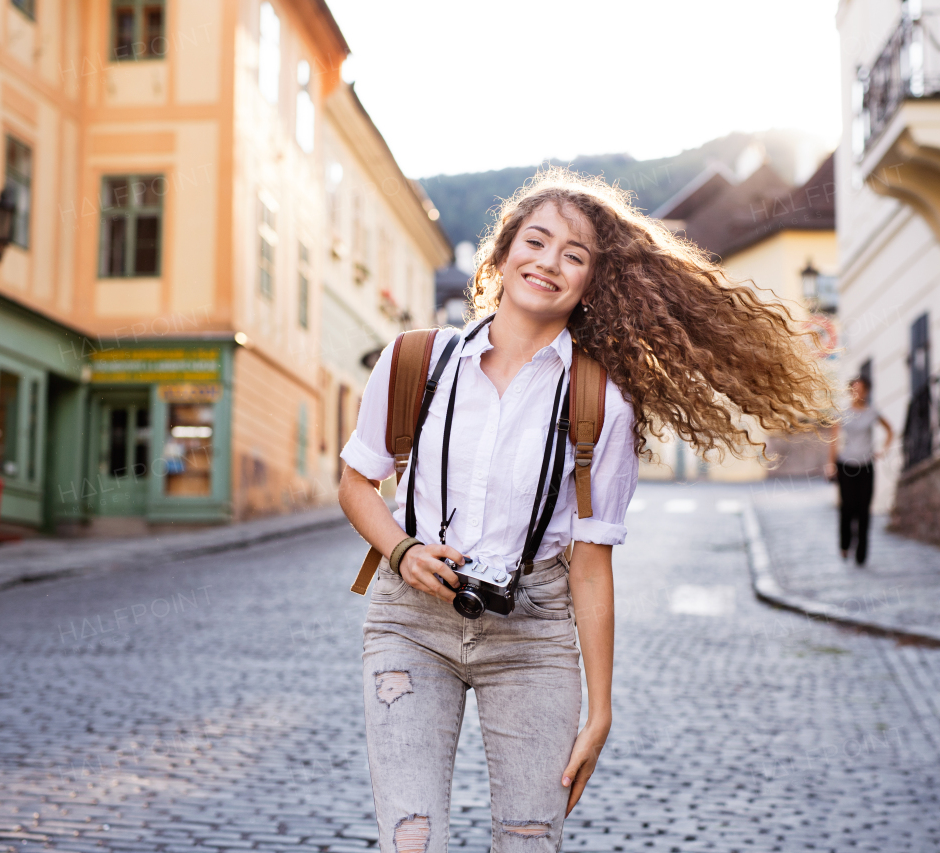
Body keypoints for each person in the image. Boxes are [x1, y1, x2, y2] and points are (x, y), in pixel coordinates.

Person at [338, 168, 832, 852]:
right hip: (409, 624)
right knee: (411, 839)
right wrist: (403, 549)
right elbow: (356, 482)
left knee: (529, 840)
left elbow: (591, 565)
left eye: (575, 255)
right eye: (535, 241)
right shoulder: (416, 360)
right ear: (503, 253)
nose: (548, 262)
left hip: (533, 634)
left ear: (593, 283)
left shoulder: (600, 402)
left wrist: (600, 709)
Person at [824, 376, 894, 566]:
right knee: (847, 508)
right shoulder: (842, 413)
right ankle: (845, 545)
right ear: (850, 391)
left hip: (866, 465)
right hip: (846, 465)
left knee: (864, 510)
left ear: (867, 392)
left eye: (862, 389)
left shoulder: (872, 412)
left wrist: (883, 450)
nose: (858, 393)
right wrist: (831, 464)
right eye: (854, 389)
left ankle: (862, 553)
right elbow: (833, 439)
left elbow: (890, 430)